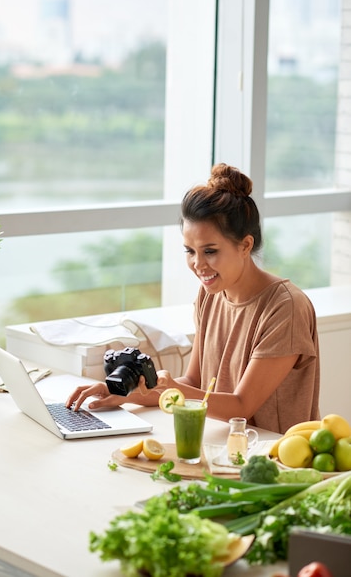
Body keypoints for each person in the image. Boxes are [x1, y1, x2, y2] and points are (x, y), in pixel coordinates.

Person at [66, 163, 320, 434]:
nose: (198, 265)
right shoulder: (210, 294)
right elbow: (194, 381)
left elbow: (242, 406)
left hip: (274, 460)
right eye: (190, 251)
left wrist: (172, 388)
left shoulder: (285, 307)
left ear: (245, 245)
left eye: (210, 251)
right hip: (219, 445)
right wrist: (124, 393)